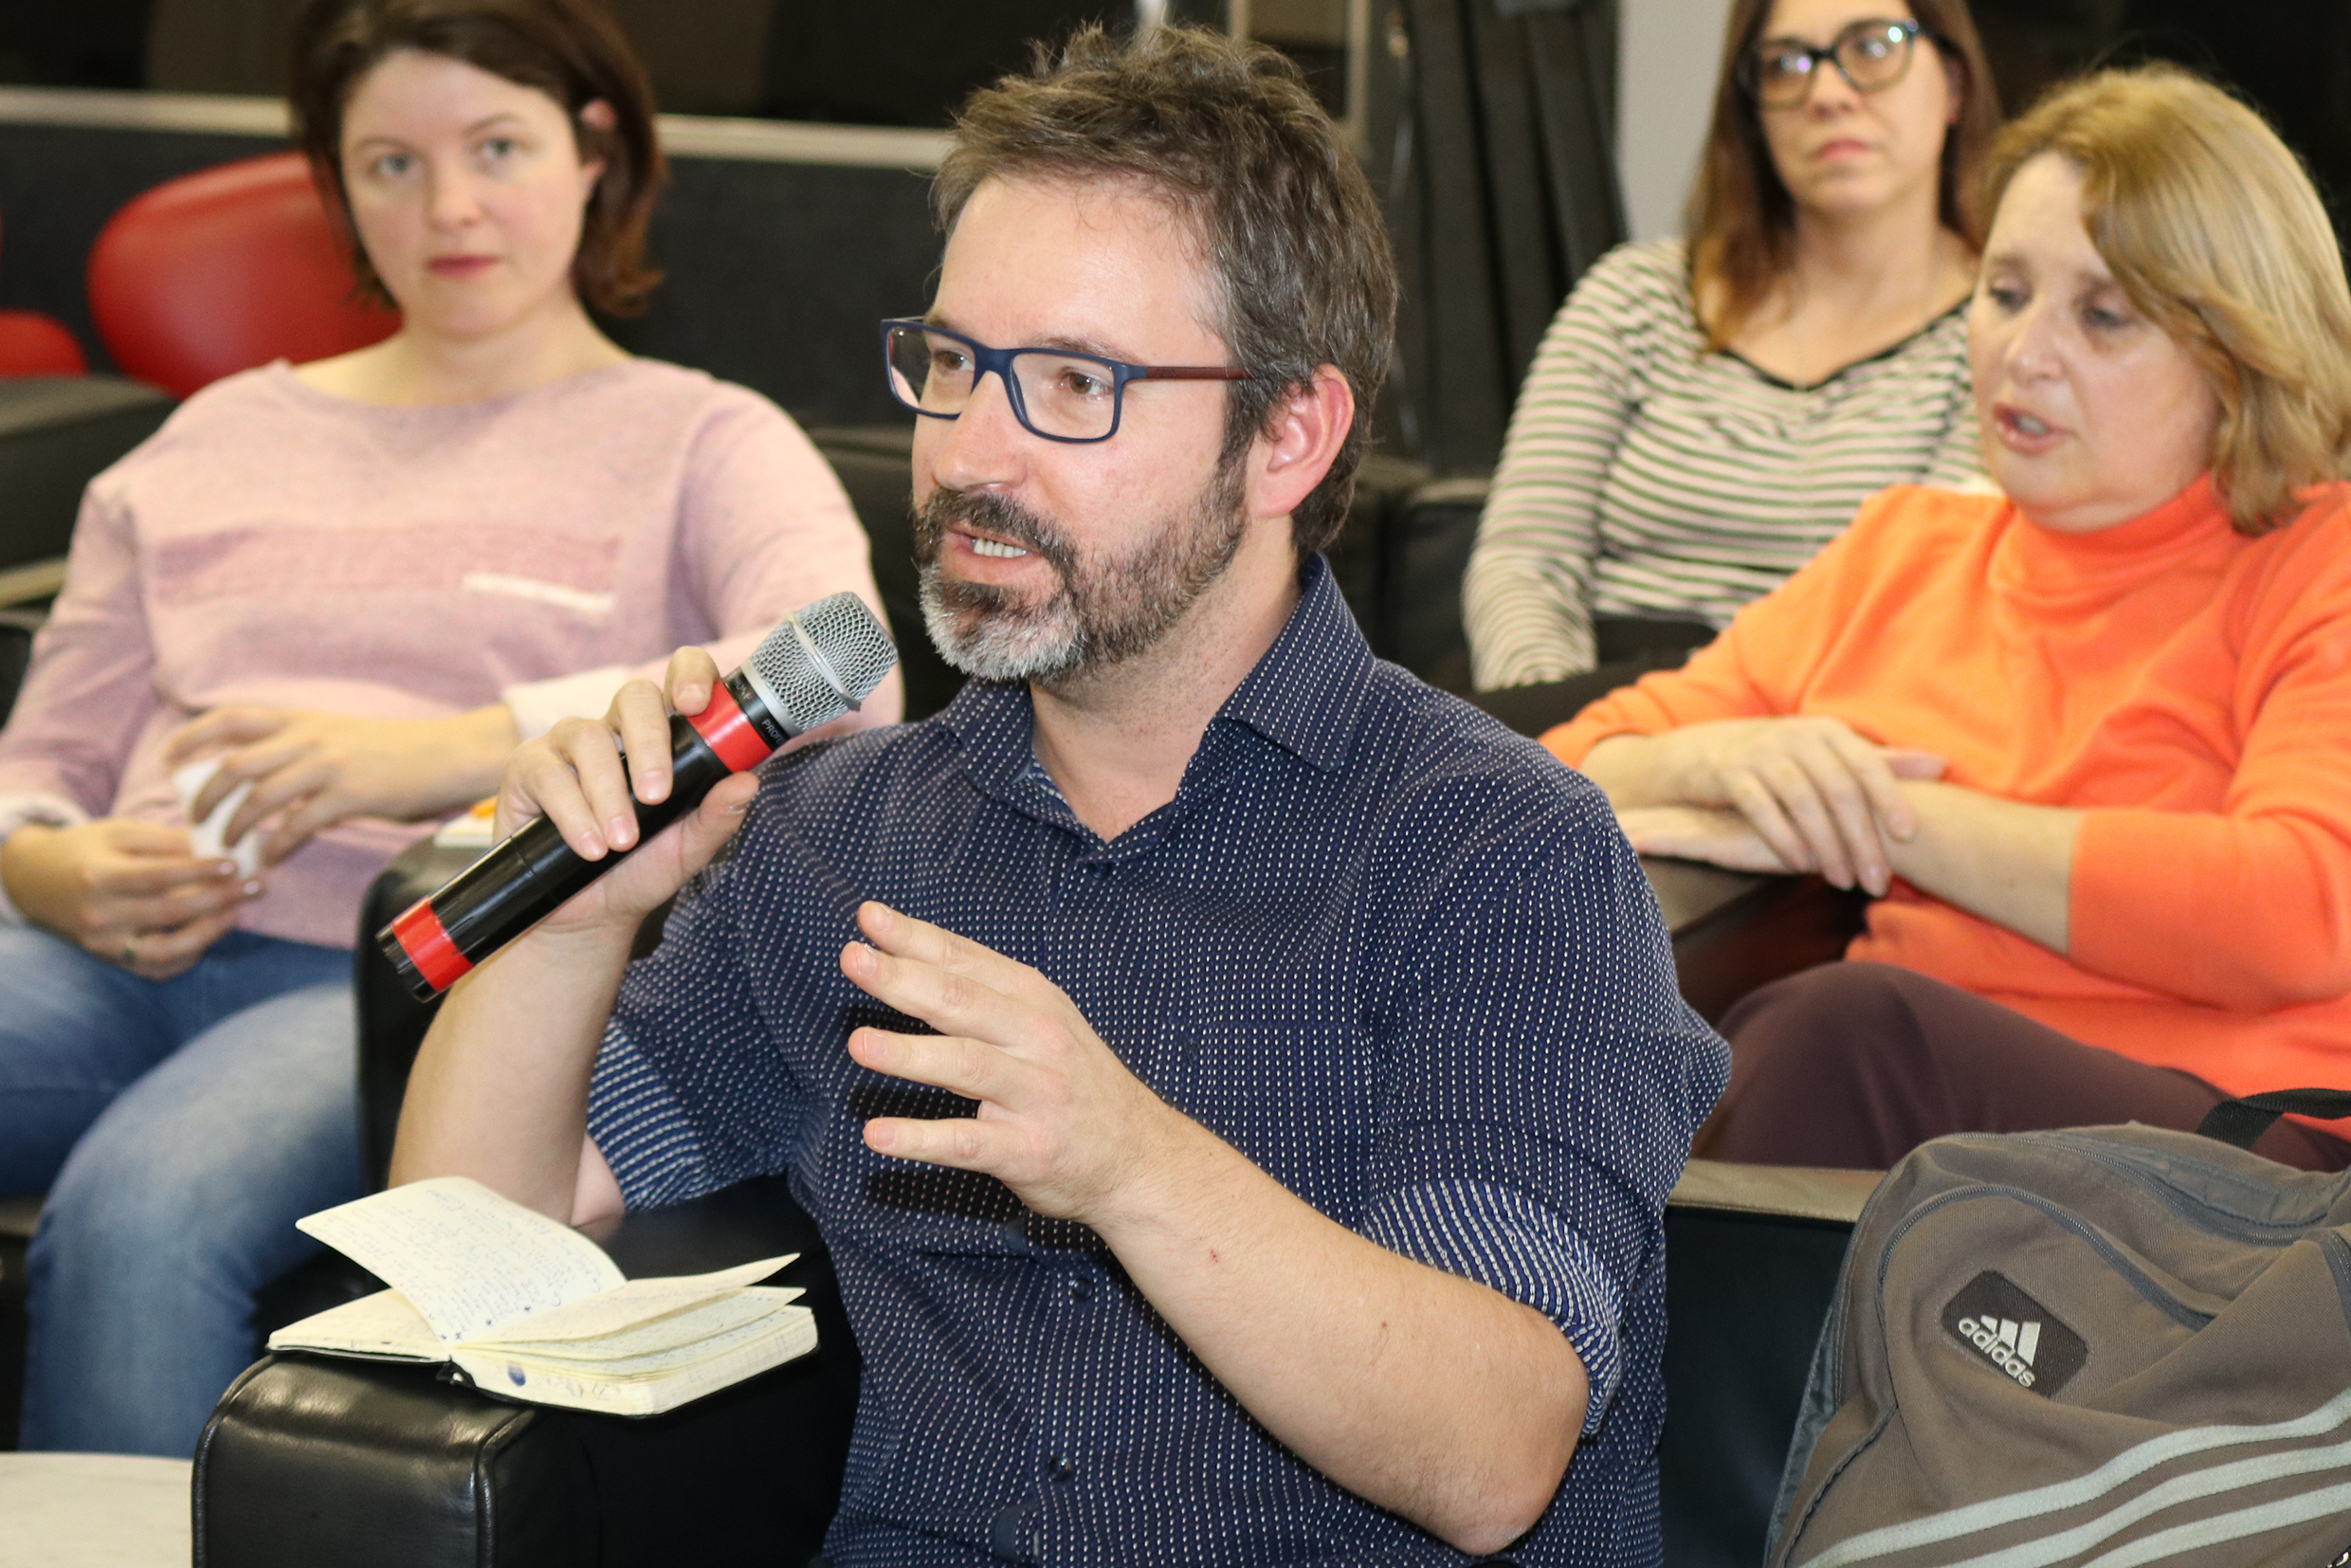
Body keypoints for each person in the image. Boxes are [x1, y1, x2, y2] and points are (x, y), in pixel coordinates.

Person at [393, 26, 1727, 1564]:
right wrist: (580, 920)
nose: (970, 451)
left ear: (1287, 434)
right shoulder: (841, 836)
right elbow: (474, 1243)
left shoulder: (1498, 852)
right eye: (952, 366)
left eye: (1074, 383)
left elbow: (1492, 1446)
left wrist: (1124, 1156)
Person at [0, 0, 898, 1455]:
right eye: (391, 165)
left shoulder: (698, 436)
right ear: (337, 186)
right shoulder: (208, 439)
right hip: (98, 957)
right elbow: (34, 766)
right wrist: (51, 866)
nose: (451, 206)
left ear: (596, 151)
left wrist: (428, 753)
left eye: (497, 146)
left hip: (386, 985)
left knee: (138, 1218)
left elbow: (847, 678)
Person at [1545, 66, 2351, 1174]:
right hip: (1934, 1139)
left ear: (2235, 353)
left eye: (2101, 315)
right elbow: (1556, 772)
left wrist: (1881, 816)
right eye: (2005, 292)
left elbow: (2296, 907)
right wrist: (1723, 759)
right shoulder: (1905, 548)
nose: (2022, 353)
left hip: (2239, 1152)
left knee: (1843, 1031)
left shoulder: (2318, 557)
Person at [1462, 0, 1999, 735]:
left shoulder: (2006, 332)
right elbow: (1523, 561)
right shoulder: (1634, 298)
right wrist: (1581, 744)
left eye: (1874, 48)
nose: (1828, 92)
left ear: (1955, 85)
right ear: (1751, 112)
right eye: (1785, 64)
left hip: (1828, 725)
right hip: (1582, 708)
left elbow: (1928, 611)